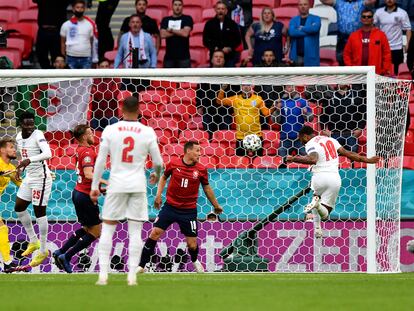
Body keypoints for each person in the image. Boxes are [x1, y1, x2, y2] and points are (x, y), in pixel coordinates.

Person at [90, 96, 163, 286]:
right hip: (137, 185)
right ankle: (131, 276)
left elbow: (100, 160)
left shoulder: (110, 130)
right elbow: (158, 162)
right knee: (135, 232)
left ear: (121, 110)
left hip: (116, 184)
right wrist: (155, 174)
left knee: (108, 229)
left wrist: (94, 185)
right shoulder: (147, 131)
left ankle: (103, 276)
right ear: (139, 110)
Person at [137, 141, 223, 273]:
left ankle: (195, 261)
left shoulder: (201, 169)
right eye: (197, 151)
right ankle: (141, 266)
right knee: (154, 233)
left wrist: (216, 205)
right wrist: (158, 195)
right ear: (188, 151)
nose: (200, 154)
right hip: (170, 207)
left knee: (192, 244)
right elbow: (164, 177)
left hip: (188, 211)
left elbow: (206, 187)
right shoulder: (174, 164)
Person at [286, 125, 380, 238]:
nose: (301, 142)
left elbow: (313, 159)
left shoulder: (310, 144)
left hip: (319, 177)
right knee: (324, 212)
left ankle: (317, 225)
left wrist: (293, 158)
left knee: (317, 201)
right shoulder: (330, 140)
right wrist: (368, 160)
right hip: (334, 178)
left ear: (305, 136)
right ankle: (317, 228)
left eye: (301, 139)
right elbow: (349, 154)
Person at [53, 125, 104, 273]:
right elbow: (88, 174)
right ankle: (66, 256)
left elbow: (84, 176)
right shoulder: (87, 151)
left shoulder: (80, 150)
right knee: (96, 231)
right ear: (83, 137)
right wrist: (107, 181)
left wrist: (100, 188)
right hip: (85, 196)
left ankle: (59, 251)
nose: (93, 135)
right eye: (90, 133)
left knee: (86, 228)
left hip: (79, 192)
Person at [14, 112, 53, 267]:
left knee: (39, 212)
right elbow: (24, 157)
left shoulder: (38, 135)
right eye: (27, 124)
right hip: (29, 177)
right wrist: (20, 169)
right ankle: (33, 241)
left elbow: (48, 154)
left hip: (41, 179)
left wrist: (29, 160)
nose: (30, 127)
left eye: (32, 124)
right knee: (19, 207)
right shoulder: (18, 137)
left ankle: (43, 250)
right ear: (21, 124)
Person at [216, 84, 276, 156]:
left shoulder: (258, 99)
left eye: (248, 85)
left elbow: (266, 113)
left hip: (256, 136)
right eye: (244, 85)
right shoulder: (235, 99)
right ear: (241, 87)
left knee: (257, 161)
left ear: (251, 87)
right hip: (241, 136)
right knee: (241, 162)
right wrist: (222, 89)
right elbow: (219, 101)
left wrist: (274, 106)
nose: (246, 87)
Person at [320, 0, 376, 65]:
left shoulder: (361, 2)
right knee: (342, 62)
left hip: (357, 38)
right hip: (342, 39)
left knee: (358, 61)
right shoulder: (338, 2)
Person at [195, 50, 235, 139]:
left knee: (224, 137)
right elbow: (200, 91)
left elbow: (235, 92)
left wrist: (233, 108)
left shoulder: (230, 75)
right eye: (216, 57)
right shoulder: (205, 75)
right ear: (212, 59)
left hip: (225, 112)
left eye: (221, 57)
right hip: (209, 111)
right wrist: (199, 105)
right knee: (209, 137)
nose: (218, 59)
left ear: (224, 60)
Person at [319, 84, 366, 156]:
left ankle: (352, 166)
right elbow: (323, 115)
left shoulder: (356, 95)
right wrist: (324, 129)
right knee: (334, 156)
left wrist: (360, 128)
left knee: (353, 156)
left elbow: (363, 112)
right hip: (335, 134)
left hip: (351, 134)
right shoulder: (329, 96)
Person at [343, 9, 392, 76]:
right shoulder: (353, 36)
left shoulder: (381, 35)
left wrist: (384, 70)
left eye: (369, 16)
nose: (366, 18)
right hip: (357, 74)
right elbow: (346, 54)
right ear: (361, 19)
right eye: (364, 16)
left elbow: (386, 54)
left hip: (376, 74)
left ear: (372, 19)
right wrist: (351, 68)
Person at [0, 138, 22, 272]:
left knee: (2, 228)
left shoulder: (11, 168)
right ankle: (7, 262)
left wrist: (43, 179)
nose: (15, 150)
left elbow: (22, 185)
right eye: (11, 147)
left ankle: (8, 262)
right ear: (2, 150)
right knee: (2, 228)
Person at [374, 0, 412, 75]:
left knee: (396, 73)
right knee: (382, 73)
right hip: (383, 48)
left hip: (397, 48)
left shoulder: (402, 13)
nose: (389, 0)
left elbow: (408, 29)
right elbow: (374, 27)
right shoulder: (378, 12)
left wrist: (408, 44)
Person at [276, 85, 313, 160]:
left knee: (307, 159)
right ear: (285, 89)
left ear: (295, 88)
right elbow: (275, 120)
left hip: (300, 138)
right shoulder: (280, 102)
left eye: (292, 86)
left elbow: (310, 118)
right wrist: (277, 110)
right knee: (281, 161)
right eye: (288, 87)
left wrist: (306, 114)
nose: (290, 88)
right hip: (285, 138)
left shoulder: (303, 101)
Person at [60, 0, 99, 69]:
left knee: (86, 79)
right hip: (71, 57)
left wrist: (93, 57)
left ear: (84, 9)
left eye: (81, 7)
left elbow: (92, 42)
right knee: (71, 79)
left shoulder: (89, 24)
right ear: (73, 8)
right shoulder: (66, 24)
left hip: (86, 57)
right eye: (77, 7)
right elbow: (62, 43)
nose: (79, 9)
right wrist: (64, 56)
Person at [33, 0, 72, 69]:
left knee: (57, 57)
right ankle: (47, 74)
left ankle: (54, 77)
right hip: (43, 30)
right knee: (41, 55)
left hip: (58, 31)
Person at [203, 1, 242, 67]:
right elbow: (205, 40)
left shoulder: (232, 24)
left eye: (222, 9)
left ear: (226, 11)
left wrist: (230, 48)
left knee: (229, 77)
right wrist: (213, 47)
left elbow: (238, 40)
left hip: (229, 57)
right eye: (218, 9)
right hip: (215, 57)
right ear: (215, 10)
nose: (220, 11)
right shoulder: (209, 24)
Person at [160, 0, 193, 68]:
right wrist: (180, 31)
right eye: (175, 5)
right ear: (172, 6)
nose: (177, 7)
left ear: (182, 7)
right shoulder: (166, 20)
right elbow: (162, 34)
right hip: (169, 58)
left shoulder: (187, 18)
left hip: (184, 58)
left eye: (179, 5)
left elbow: (185, 33)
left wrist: (171, 30)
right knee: (168, 78)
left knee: (185, 78)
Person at [90, 58, 120, 131]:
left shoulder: (116, 79)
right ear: (98, 67)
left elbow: (112, 95)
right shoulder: (93, 80)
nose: (104, 68)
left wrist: (98, 93)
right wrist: (106, 93)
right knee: (95, 139)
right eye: (102, 66)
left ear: (110, 67)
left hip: (111, 115)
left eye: (106, 66)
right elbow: (93, 94)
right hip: (96, 115)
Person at [288, 0, 321, 67]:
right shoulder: (293, 20)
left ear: (309, 6)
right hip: (296, 56)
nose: (303, 7)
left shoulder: (316, 18)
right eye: (300, 5)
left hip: (311, 56)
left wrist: (301, 28)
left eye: (305, 4)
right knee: (295, 77)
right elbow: (292, 32)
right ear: (298, 7)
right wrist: (309, 31)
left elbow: (315, 29)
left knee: (311, 77)